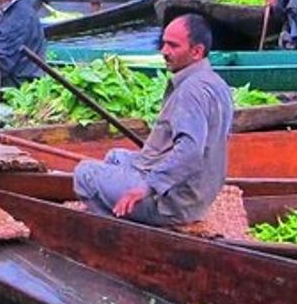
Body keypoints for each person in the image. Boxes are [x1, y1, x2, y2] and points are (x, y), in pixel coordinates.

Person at [73, 14, 232, 226]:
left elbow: (190, 150)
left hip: (175, 202)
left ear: (196, 51)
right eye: (164, 43)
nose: (164, 51)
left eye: (173, 46)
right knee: (115, 156)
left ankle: (118, 228)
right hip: (198, 191)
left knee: (84, 173)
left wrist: (148, 187)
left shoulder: (191, 91)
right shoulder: (216, 82)